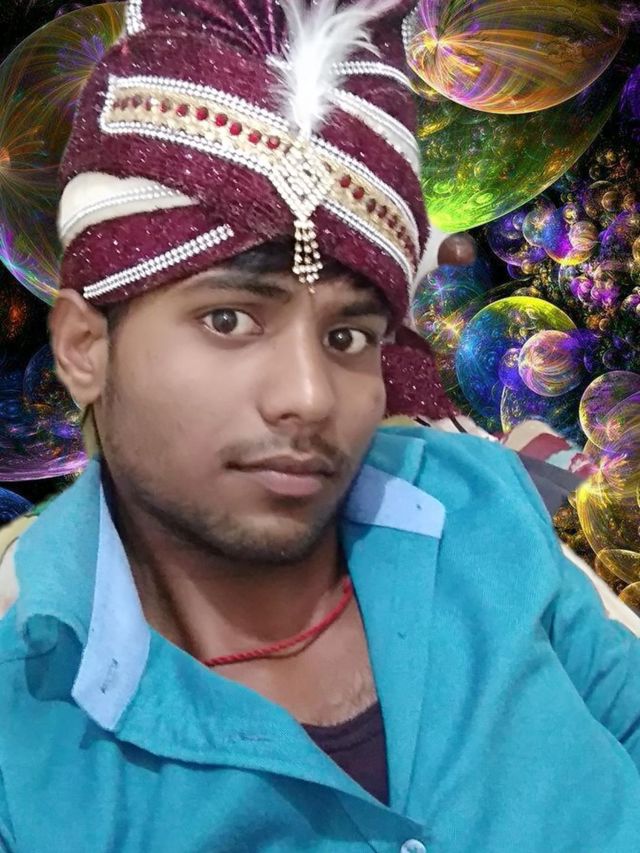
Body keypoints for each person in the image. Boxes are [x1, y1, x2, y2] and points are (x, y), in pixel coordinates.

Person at [1, 0, 640, 850]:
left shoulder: (479, 502)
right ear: (85, 348)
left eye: (347, 337)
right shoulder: (24, 736)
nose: (309, 394)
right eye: (230, 318)